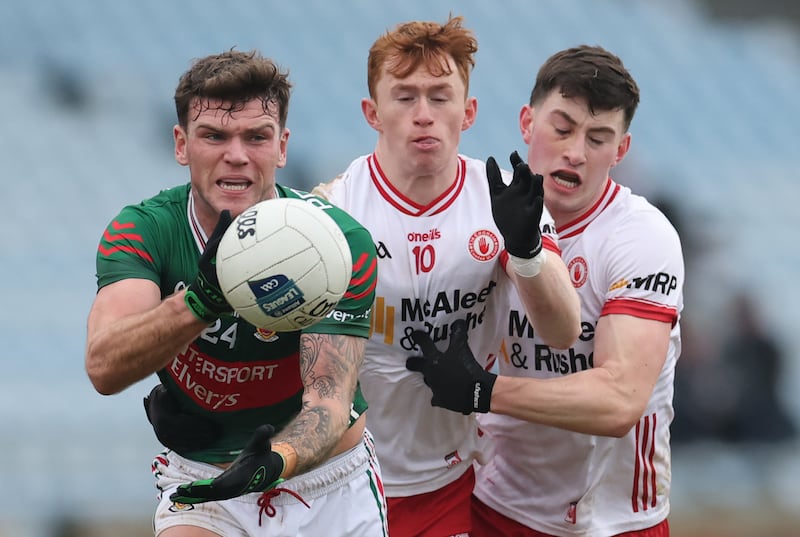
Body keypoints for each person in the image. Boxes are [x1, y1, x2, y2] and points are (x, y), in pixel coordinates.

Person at [84, 50, 387, 537]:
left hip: (325, 484)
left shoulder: (336, 246)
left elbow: (329, 401)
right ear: (181, 144)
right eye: (214, 136)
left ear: (282, 146)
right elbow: (103, 367)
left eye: (256, 137)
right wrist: (199, 302)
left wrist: (275, 461)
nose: (237, 155)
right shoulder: (144, 232)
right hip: (204, 479)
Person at [312, 16, 580, 537]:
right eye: (405, 97)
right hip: (341, 481)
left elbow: (563, 331)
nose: (423, 115)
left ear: (469, 110)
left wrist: (525, 251)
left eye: (440, 96)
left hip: (451, 482)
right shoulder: (334, 210)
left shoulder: (501, 199)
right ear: (372, 113)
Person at [406, 45, 684, 536]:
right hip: (494, 506)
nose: (576, 151)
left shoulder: (643, 237)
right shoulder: (473, 212)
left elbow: (620, 400)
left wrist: (484, 391)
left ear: (621, 150)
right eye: (563, 128)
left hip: (617, 520)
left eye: (599, 138)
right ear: (527, 123)